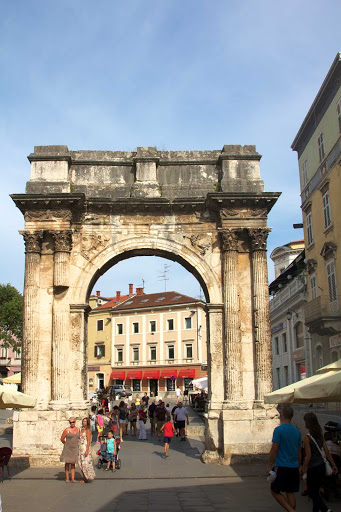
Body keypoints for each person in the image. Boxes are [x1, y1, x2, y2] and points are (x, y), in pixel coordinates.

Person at [267, 405, 302, 512]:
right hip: (294, 465)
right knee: (289, 491)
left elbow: (274, 449)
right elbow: (299, 451)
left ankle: (291, 511)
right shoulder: (297, 431)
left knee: (274, 490)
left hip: (282, 465)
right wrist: (299, 465)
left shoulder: (278, 430)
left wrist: (269, 465)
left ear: (282, 415)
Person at [302, 412, 337, 512]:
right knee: (316, 491)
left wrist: (304, 468)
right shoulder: (320, 436)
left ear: (307, 423)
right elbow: (326, 452)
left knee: (312, 492)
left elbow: (308, 456)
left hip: (313, 468)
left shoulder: (307, 438)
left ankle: (325, 509)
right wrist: (334, 465)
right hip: (321, 466)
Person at [60, 417, 80, 483]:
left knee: (73, 463)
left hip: (75, 448)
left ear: (75, 422)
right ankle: (67, 478)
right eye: (70, 422)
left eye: (73, 422)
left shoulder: (78, 429)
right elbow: (62, 439)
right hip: (68, 448)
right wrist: (66, 444)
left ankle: (73, 478)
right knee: (67, 463)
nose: (72, 423)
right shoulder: (67, 430)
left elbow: (79, 438)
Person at [78, 417, 95, 483]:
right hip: (80, 447)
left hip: (85, 447)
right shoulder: (81, 429)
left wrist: (87, 450)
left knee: (86, 463)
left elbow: (88, 441)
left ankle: (87, 477)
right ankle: (85, 477)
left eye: (85, 421)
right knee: (81, 463)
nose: (83, 422)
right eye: (83, 421)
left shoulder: (88, 430)